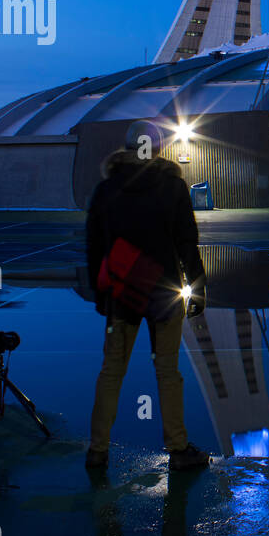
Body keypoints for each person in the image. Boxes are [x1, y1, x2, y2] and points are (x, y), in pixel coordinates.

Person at [84, 119, 209, 471]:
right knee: (168, 372)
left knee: (111, 372)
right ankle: (178, 448)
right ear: (159, 149)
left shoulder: (107, 189)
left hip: (121, 294)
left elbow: (94, 247)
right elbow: (187, 241)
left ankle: (97, 450)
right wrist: (197, 288)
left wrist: (99, 292)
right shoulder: (172, 186)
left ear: (126, 146)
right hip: (163, 294)